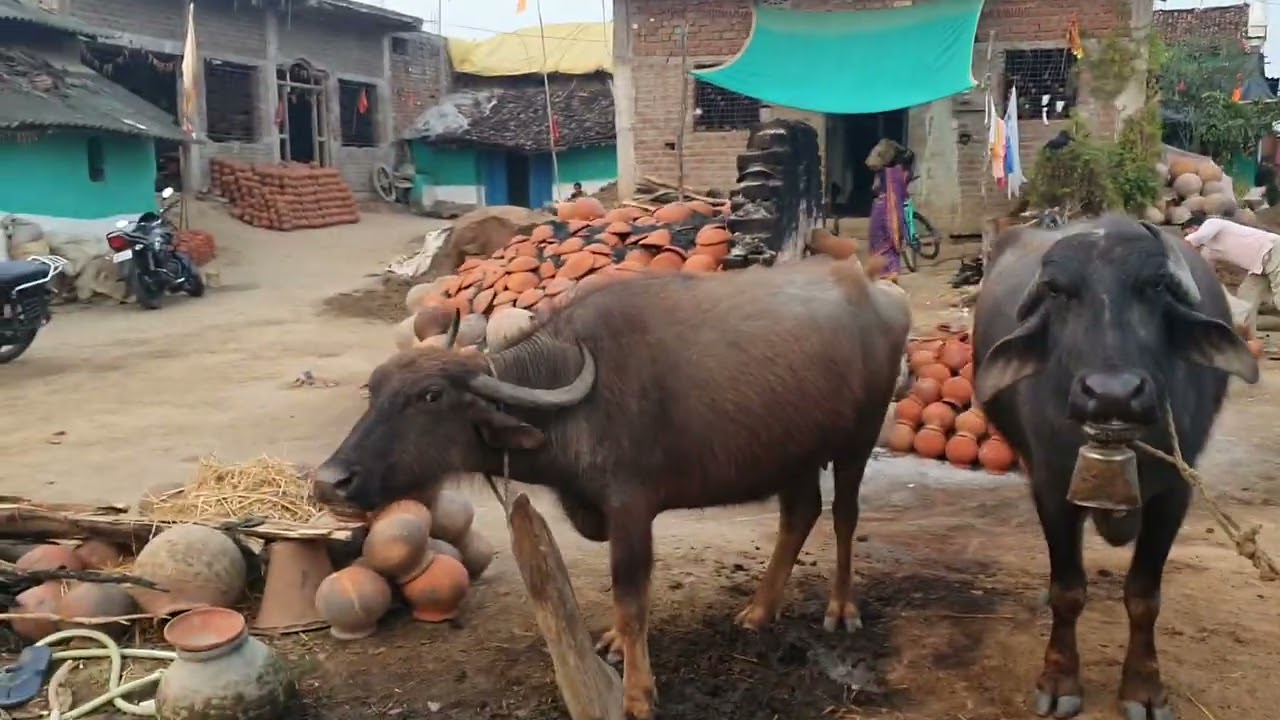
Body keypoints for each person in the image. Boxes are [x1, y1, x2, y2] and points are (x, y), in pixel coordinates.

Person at [1182, 211, 1280, 314]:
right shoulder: (1208, 250)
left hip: (1273, 250)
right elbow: (1206, 271)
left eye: (1187, 233)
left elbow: (1197, 238)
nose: (1187, 236)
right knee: (1245, 300)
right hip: (1258, 268)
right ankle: (1245, 327)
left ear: (1195, 227)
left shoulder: (1212, 223)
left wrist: (1181, 246)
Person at [865, 139, 910, 282]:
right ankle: (892, 271)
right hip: (893, 208)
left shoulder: (885, 173)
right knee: (890, 241)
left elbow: (875, 188)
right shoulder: (900, 171)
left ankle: (885, 272)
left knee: (879, 239)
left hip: (882, 207)